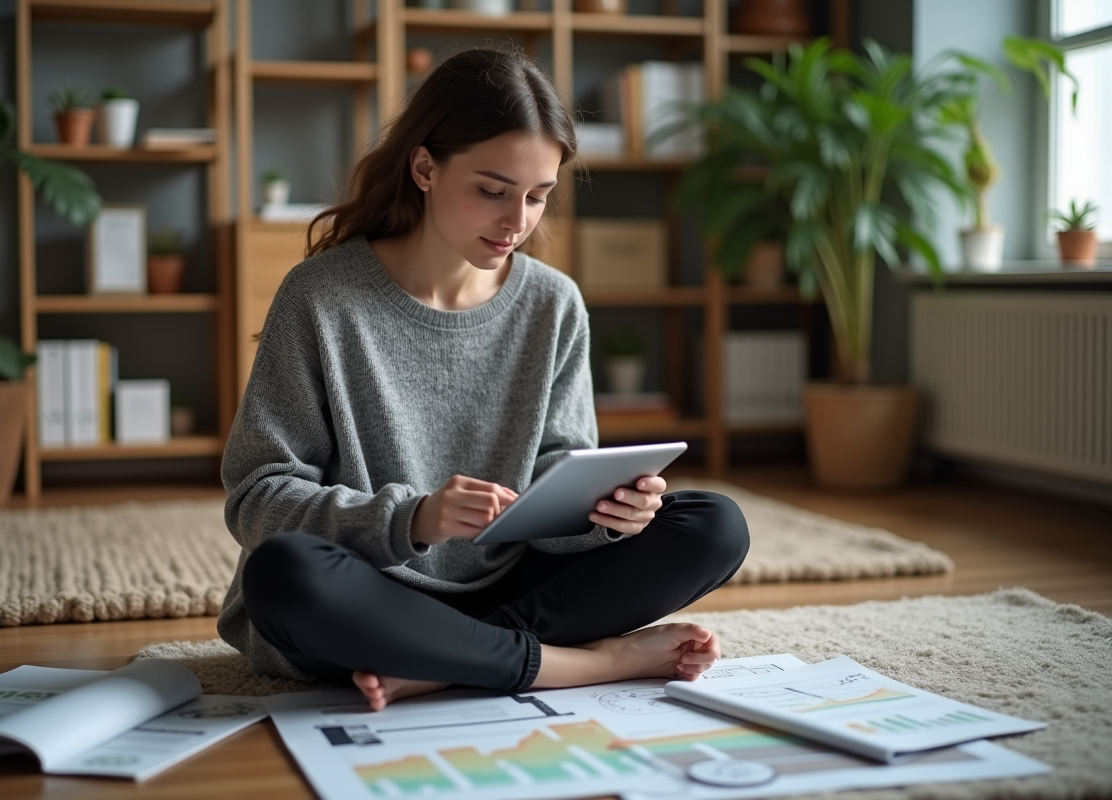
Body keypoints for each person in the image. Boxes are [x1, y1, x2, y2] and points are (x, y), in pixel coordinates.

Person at [219, 47, 750, 712]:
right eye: (493, 191)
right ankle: (587, 663)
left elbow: (560, 471)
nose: (517, 221)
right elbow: (256, 499)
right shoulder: (321, 299)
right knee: (285, 575)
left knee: (714, 526)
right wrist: (412, 519)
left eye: (538, 196)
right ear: (423, 167)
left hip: (509, 587)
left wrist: (610, 516)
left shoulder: (553, 303)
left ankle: (445, 661)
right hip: (374, 586)